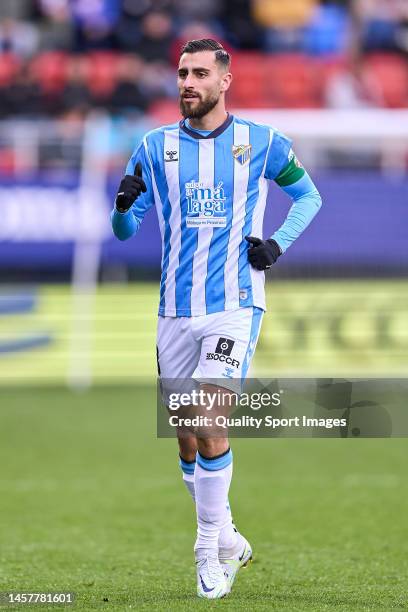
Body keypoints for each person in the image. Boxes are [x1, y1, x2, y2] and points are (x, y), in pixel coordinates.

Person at [111, 38, 322, 599]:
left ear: (225, 81)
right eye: (182, 73)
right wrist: (122, 206)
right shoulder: (154, 148)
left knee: (209, 418)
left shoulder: (263, 142)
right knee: (186, 436)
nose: (188, 82)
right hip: (173, 310)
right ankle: (229, 536)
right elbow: (126, 232)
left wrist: (276, 245)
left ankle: (207, 551)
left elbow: (309, 198)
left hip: (234, 303)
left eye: (201, 73)